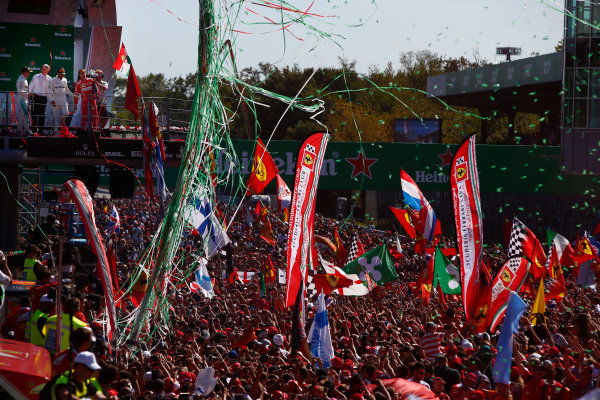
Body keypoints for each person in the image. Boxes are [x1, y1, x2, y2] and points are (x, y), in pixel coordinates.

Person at [28, 64, 52, 133]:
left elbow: (50, 89)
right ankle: (34, 130)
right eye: (42, 68)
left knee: (42, 114)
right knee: (35, 113)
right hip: (36, 97)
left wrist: (52, 98)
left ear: (48, 70)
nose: (42, 70)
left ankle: (41, 130)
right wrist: (30, 94)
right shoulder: (36, 76)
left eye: (44, 69)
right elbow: (31, 85)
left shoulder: (50, 78)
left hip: (44, 98)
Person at [50, 67, 74, 135]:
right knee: (56, 116)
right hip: (56, 99)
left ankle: (62, 121)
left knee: (66, 113)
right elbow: (49, 91)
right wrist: (52, 100)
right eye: (61, 74)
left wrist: (73, 95)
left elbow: (66, 90)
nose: (62, 75)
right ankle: (56, 131)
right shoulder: (53, 80)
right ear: (57, 73)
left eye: (63, 74)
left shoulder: (65, 80)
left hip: (63, 98)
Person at [16, 66, 31, 133]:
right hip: (21, 100)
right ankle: (25, 130)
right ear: (25, 72)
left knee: (23, 115)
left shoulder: (24, 79)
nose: (29, 74)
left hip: (25, 100)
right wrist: (28, 94)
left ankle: (20, 130)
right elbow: (19, 91)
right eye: (28, 72)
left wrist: (28, 95)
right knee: (25, 115)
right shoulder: (21, 80)